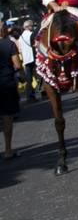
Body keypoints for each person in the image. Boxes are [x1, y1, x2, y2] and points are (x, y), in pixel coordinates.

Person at [0, 21, 20, 158]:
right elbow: (17, 65)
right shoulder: (10, 44)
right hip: (7, 83)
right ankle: (8, 150)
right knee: (7, 117)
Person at [17, 19, 36, 102]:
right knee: (40, 75)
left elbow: (20, 49)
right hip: (33, 58)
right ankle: (43, 91)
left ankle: (30, 96)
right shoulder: (32, 34)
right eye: (32, 25)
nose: (33, 27)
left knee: (29, 79)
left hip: (26, 59)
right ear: (29, 26)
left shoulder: (20, 37)